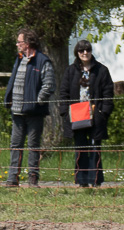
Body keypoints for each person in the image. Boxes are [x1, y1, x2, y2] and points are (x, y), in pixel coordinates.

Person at [58, 40, 114, 187]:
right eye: (81, 50)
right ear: (77, 53)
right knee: (80, 148)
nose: (84, 53)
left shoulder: (102, 70)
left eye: (87, 50)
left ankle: (95, 180)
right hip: (77, 115)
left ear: (91, 51)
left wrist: (103, 112)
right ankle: (82, 181)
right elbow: (64, 92)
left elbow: (108, 93)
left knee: (95, 148)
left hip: (96, 115)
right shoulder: (71, 71)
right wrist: (65, 112)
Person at [4, 28, 55, 187]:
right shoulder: (19, 59)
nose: (17, 44)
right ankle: (13, 178)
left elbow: (49, 85)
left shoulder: (42, 61)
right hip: (17, 112)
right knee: (15, 145)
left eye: (19, 42)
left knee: (33, 145)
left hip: (34, 113)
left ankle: (33, 178)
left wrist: (37, 102)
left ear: (28, 43)